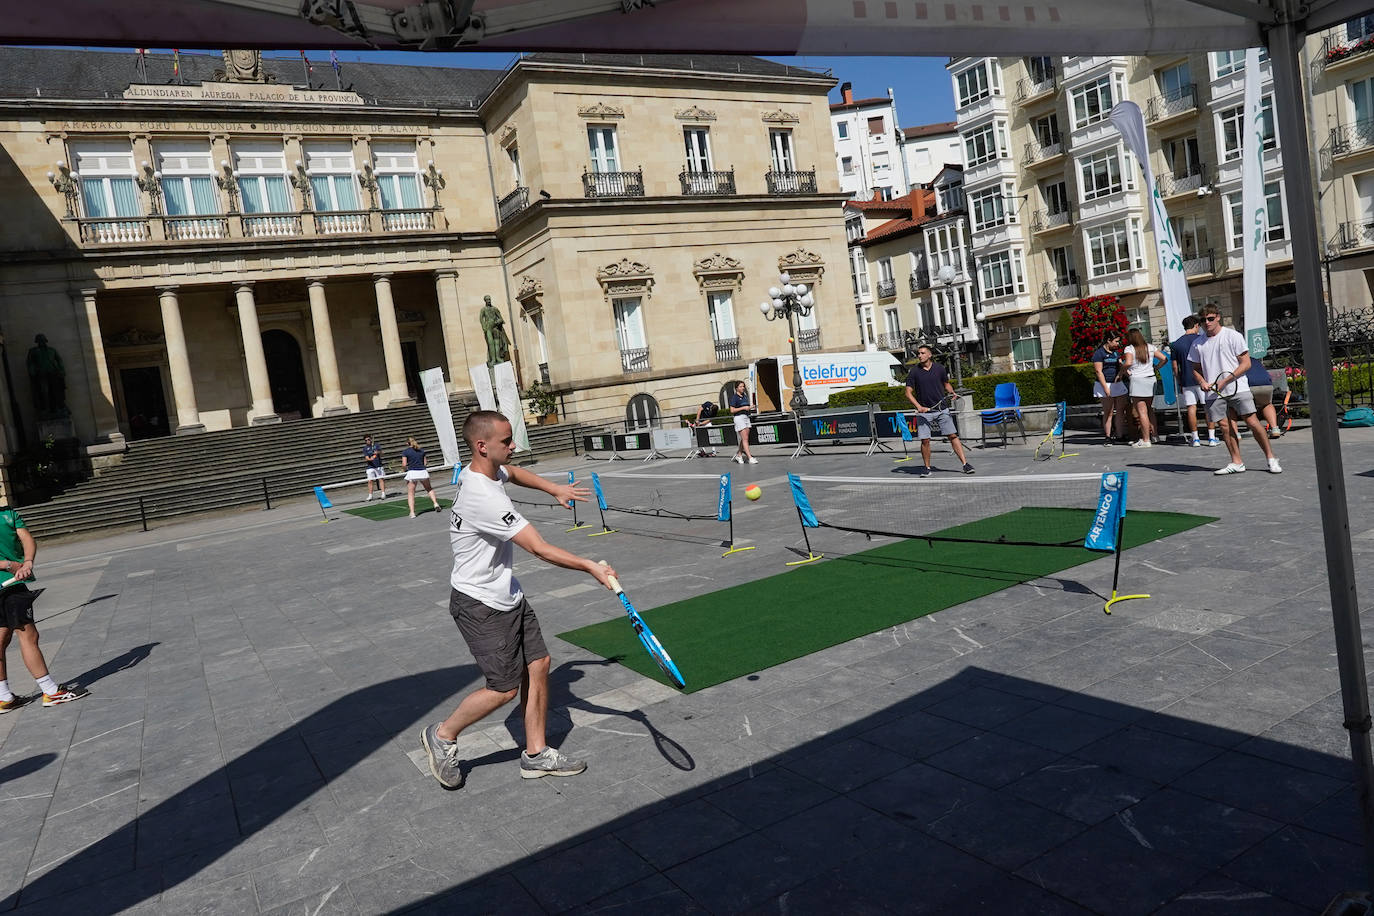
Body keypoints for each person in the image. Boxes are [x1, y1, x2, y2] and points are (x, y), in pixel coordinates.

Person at [419, 410, 617, 788]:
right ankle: (442, 735)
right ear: (482, 446)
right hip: (480, 604)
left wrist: (553, 488)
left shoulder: (485, 470)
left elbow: (515, 473)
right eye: (507, 441)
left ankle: (536, 753)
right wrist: (589, 565)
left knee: (539, 663)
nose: (514, 446)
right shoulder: (482, 497)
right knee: (503, 689)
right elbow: (539, 549)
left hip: (506, 593)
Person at [0, 505, 88, 712]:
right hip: (10, 584)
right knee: (29, 636)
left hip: (14, 580)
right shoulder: (7, 513)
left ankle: (4, 697)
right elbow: (25, 542)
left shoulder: (8, 513)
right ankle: (51, 691)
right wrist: (9, 565)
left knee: (1, 639)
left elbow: (28, 539)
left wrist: (28, 562)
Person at [1188, 306, 1281, 475]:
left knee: (1252, 422)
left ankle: (1271, 457)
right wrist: (1202, 381)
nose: (1206, 323)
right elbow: (1195, 367)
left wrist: (1226, 380)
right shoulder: (1197, 343)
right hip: (1213, 392)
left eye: (1209, 318)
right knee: (1224, 427)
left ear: (1218, 317)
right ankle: (1236, 461)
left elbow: (1246, 363)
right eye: (1202, 320)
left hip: (1238, 387)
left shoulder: (1232, 336)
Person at [903, 344, 974, 478]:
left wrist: (951, 391)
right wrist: (919, 407)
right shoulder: (914, 372)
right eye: (919, 353)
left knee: (953, 436)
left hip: (942, 409)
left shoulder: (940, 369)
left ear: (930, 355)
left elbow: (945, 383)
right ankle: (927, 468)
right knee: (925, 440)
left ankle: (965, 464)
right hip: (924, 412)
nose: (920, 355)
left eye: (923, 353)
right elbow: (908, 393)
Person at [1170, 315, 1220, 447]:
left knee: (1191, 408)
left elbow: (1175, 367)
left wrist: (1179, 380)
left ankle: (1195, 438)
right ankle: (1211, 437)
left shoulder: (1175, 344)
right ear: (1196, 325)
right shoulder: (1201, 340)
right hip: (1203, 379)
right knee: (1207, 407)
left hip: (1186, 379)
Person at [1120, 328, 1166, 448]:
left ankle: (1145, 440)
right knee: (1149, 409)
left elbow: (1128, 362)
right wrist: (1156, 368)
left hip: (1138, 380)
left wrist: (1122, 370)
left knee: (1142, 412)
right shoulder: (1150, 347)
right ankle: (1155, 435)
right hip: (1151, 379)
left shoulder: (1129, 348)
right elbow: (1164, 358)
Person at [1091, 332, 1127, 446]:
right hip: (1104, 384)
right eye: (1116, 341)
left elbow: (1121, 365)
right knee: (1109, 412)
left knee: (1120, 410)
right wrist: (1105, 388)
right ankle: (1108, 436)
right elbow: (1098, 371)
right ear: (1108, 340)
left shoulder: (1116, 353)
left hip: (1117, 384)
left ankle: (1120, 435)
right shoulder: (1099, 353)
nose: (1118, 343)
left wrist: (1122, 373)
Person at [26, 334, 67, 418]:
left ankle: (57, 408)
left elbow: (59, 360)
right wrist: (32, 371)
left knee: (55, 391)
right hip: (41, 375)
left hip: (53, 373)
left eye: (43, 341)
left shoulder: (51, 350)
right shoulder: (33, 351)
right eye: (40, 341)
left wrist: (61, 370)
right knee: (43, 392)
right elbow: (30, 363)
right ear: (37, 342)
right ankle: (45, 409)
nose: (42, 342)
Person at [400, 436, 442, 517]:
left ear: (407, 443)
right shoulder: (422, 451)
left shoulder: (405, 452)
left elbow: (404, 464)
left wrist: (404, 469)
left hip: (412, 473)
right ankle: (436, 504)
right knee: (429, 488)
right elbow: (425, 463)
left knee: (411, 493)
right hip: (422, 472)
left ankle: (412, 512)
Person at [728, 381, 757, 464]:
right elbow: (732, 410)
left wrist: (750, 407)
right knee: (745, 439)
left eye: (743, 386)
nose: (742, 388)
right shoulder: (734, 397)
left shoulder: (744, 396)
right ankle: (750, 457)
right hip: (739, 418)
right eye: (740, 386)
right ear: (736, 388)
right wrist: (743, 408)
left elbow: (745, 407)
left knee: (745, 438)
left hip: (746, 417)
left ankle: (739, 455)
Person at [479, 295, 511, 366]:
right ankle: (493, 359)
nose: (489, 301)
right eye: (487, 300)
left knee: (497, 343)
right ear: (485, 301)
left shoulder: (495, 309)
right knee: (491, 343)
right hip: (488, 327)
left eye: (489, 299)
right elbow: (481, 319)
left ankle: (498, 357)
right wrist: (484, 327)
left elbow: (501, 318)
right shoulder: (483, 309)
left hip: (495, 327)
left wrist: (498, 321)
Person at [361, 434, 388, 501]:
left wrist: (378, 452)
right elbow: (367, 458)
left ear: (371, 439)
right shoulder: (365, 449)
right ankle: (370, 495)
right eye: (366, 440)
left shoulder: (376, 445)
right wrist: (370, 459)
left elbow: (382, 453)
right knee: (370, 481)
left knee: (381, 479)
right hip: (370, 466)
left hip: (378, 465)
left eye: (368, 439)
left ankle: (383, 493)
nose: (367, 441)